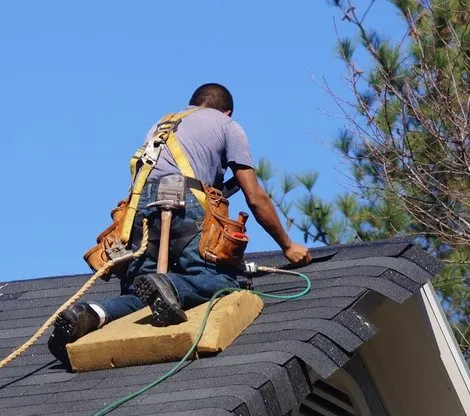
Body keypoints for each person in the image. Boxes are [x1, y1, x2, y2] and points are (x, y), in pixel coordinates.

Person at [48, 83, 311, 363]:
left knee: (141, 293)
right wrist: (287, 245)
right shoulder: (227, 125)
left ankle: (91, 313)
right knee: (222, 281)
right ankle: (171, 286)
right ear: (227, 111)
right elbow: (255, 197)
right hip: (185, 201)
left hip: (139, 208)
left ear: (193, 104)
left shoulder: (162, 124)